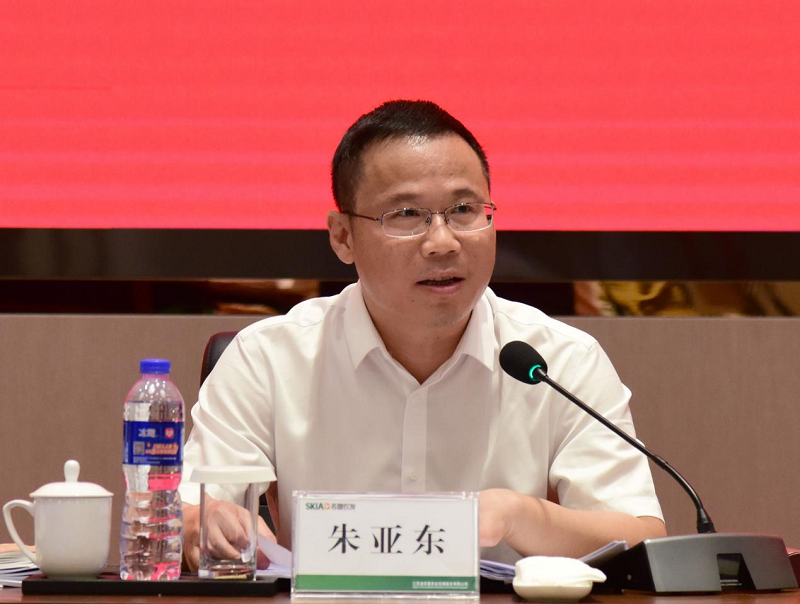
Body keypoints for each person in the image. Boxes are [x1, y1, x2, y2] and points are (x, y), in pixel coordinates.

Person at [179, 100, 666, 570]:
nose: (442, 242)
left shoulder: (559, 360)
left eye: (464, 209)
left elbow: (640, 536)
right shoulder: (267, 359)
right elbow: (192, 509)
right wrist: (204, 523)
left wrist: (520, 515)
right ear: (343, 236)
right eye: (407, 215)